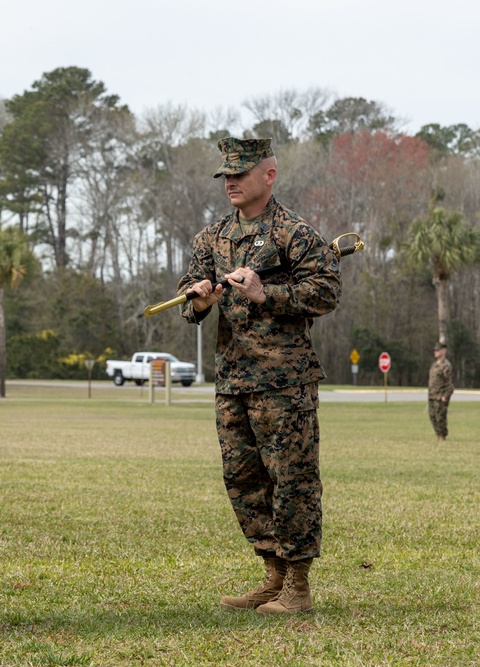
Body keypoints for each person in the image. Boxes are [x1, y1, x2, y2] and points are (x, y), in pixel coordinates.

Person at [178, 137, 342, 615]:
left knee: (292, 479)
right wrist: (199, 301)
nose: (231, 181)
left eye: (241, 173)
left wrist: (266, 293)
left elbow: (327, 291)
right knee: (243, 479)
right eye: (226, 174)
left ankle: (298, 585)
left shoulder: (296, 234)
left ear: (268, 175)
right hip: (233, 381)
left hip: (284, 380)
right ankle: (271, 572)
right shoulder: (211, 238)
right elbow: (188, 300)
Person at [428, 342, 454, 441]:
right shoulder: (434, 365)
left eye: (437, 350)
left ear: (444, 351)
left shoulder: (446, 366)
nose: (435, 352)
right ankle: (438, 434)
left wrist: (445, 396)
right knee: (432, 416)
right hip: (432, 395)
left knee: (440, 417)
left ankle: (442, 436)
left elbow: (450, 385)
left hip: (440, 396)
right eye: (435, 350)